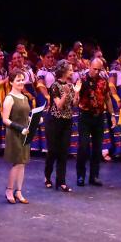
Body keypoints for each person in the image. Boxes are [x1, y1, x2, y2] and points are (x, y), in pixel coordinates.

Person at [76, 58, 116, 187]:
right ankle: (80, 175)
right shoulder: (82, 80)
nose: (97, 72)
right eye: (95, 69)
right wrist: (76, 93)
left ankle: (94, 176)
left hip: (99, 117)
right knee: (83, 146)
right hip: (85, 116)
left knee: (98, 148)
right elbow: (75, 102)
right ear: (90, 67)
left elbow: (108, 98)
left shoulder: (103, 81)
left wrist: (112, 115)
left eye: (99, 69)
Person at [44, 60, 78, 191]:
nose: (72, 71)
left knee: (64, 151)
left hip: (67, 121)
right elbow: (59, 105)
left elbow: (74, 104)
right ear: (64, 71)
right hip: (54, 121)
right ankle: (47, 177)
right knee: (53, 151)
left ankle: (61, 181)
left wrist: (77, 92)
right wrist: (65, 94)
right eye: (70, 69)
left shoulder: (70, 85)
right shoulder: (55, 86)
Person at [2, 69, 32, 204]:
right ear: (11, 82)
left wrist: (33, 120)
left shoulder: (25, 97)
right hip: (15, 134)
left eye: (22, 79)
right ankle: (9, 190)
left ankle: (18, 191)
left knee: (23, 162)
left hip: (25, 133)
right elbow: (5, 119)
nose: (21, 82)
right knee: (17, 162)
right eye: (18, 80)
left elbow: (26, 116)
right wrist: (20, 129)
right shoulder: (9, 98)